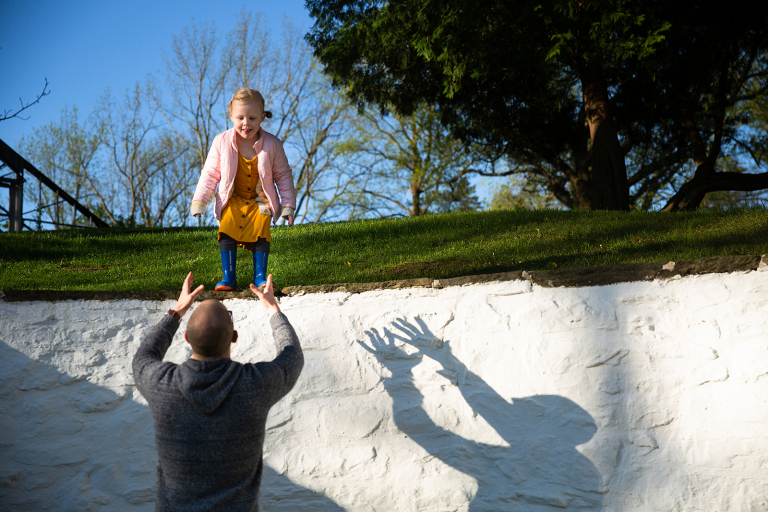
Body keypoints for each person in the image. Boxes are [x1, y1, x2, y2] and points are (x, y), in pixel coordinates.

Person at [132, 272, 304, 511]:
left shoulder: (163, 385)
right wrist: (273, 309)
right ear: (234, 337)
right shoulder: (254, 385)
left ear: (186, 338)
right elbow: (292, 355)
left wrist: (178, 310)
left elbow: (143, 357)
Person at [190, 88, 296, 291]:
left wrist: (288, 205)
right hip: (233, 197)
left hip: (261, 198)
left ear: (263, 118)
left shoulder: (273, 144)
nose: (246, 123)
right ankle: (228, 277)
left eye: (252, 118)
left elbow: (283, 175)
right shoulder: (221, 142)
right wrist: (199, 201)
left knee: (261, 232)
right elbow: (210, 173)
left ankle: (260, 277)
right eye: (240, 118)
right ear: (231, 116)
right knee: (227, 228)